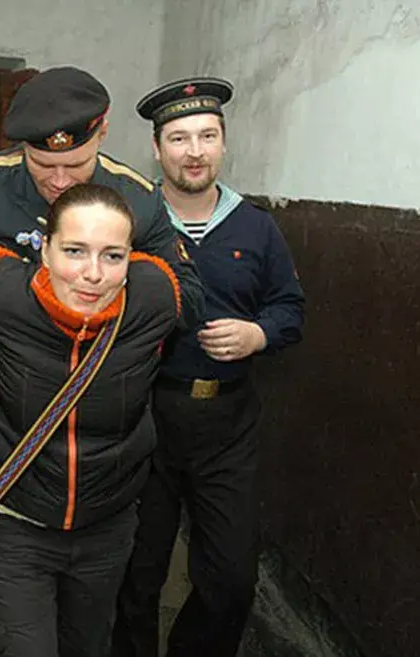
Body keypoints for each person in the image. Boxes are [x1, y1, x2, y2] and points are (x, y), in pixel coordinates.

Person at [0, 66, 206, 657]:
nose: (59, 181)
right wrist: (7, 306)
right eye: (43, 166)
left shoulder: (137, 198)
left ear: (102, 133)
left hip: (93, 419)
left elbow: (187, 296)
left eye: (75, 164)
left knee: (81, 606)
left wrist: (89, 291)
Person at [111, 77, 306, 657]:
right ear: (157, 149)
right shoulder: (130, 221)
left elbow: (290, 308)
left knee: (231, 580)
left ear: (224, 143)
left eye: (207, 136)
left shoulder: (256, 226)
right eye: (179, 138)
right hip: (144, 417)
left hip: (227, 425)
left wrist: (258, 334)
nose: (194, 151)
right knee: (135, 573)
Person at [0, 183, 183, 657]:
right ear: (44, 250)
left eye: (113, 256)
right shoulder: (4, 291)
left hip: (107, 529)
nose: (93, 274)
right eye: (74, 251)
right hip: (15, 523)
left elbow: (168, 274)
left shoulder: (154, 298)